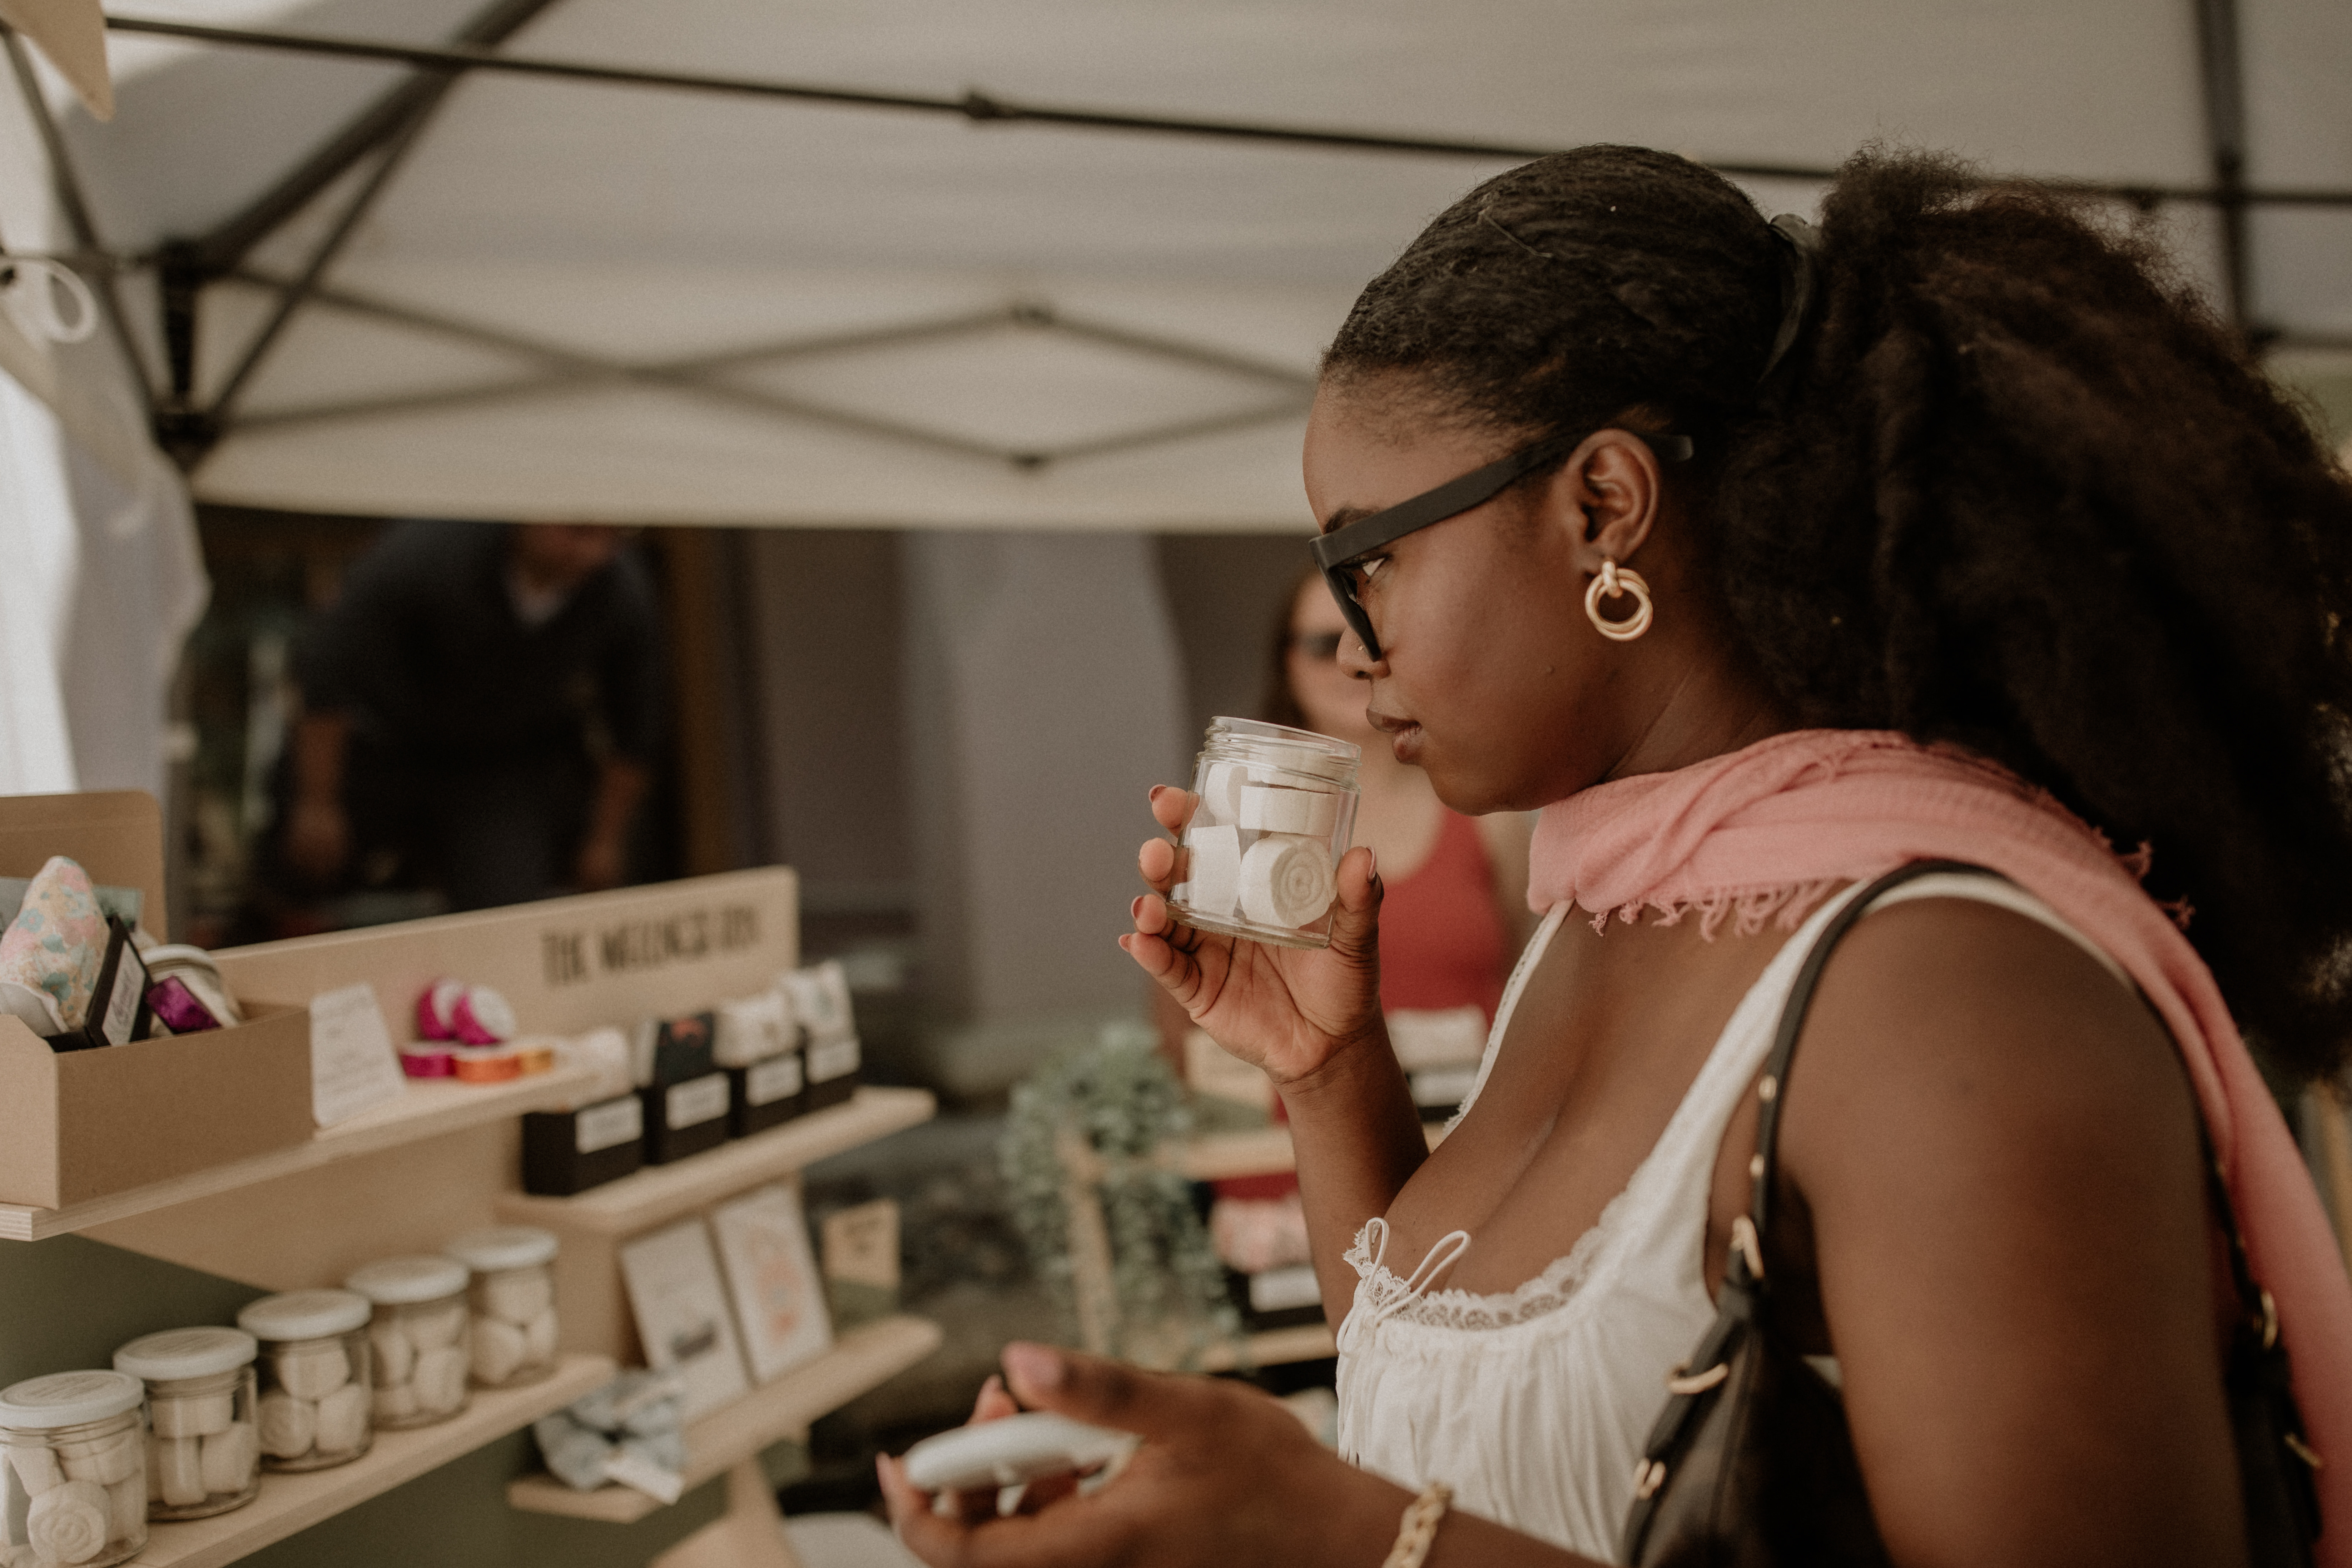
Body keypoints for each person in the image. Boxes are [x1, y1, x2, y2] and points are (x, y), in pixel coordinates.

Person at [880, 146, 2352, 1568]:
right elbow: (1464, 1403)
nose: (1347, 637)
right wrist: (1328, 1077)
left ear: (1602, 508)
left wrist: (1332, 1531)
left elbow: (1414, 1516)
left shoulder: (1947, 995)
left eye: (1367, 558)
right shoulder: (1613, 902)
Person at [280, 519, 663, 912]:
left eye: (610, 538)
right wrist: (317, 800)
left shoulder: (617, 588)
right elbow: (328, 670)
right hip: (384, 742)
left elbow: (635, 724)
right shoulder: (427, 553)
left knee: (507, 901)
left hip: (500, 762)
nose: (591, 553)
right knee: (300, 869)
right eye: (577, 532)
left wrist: (606, 840)